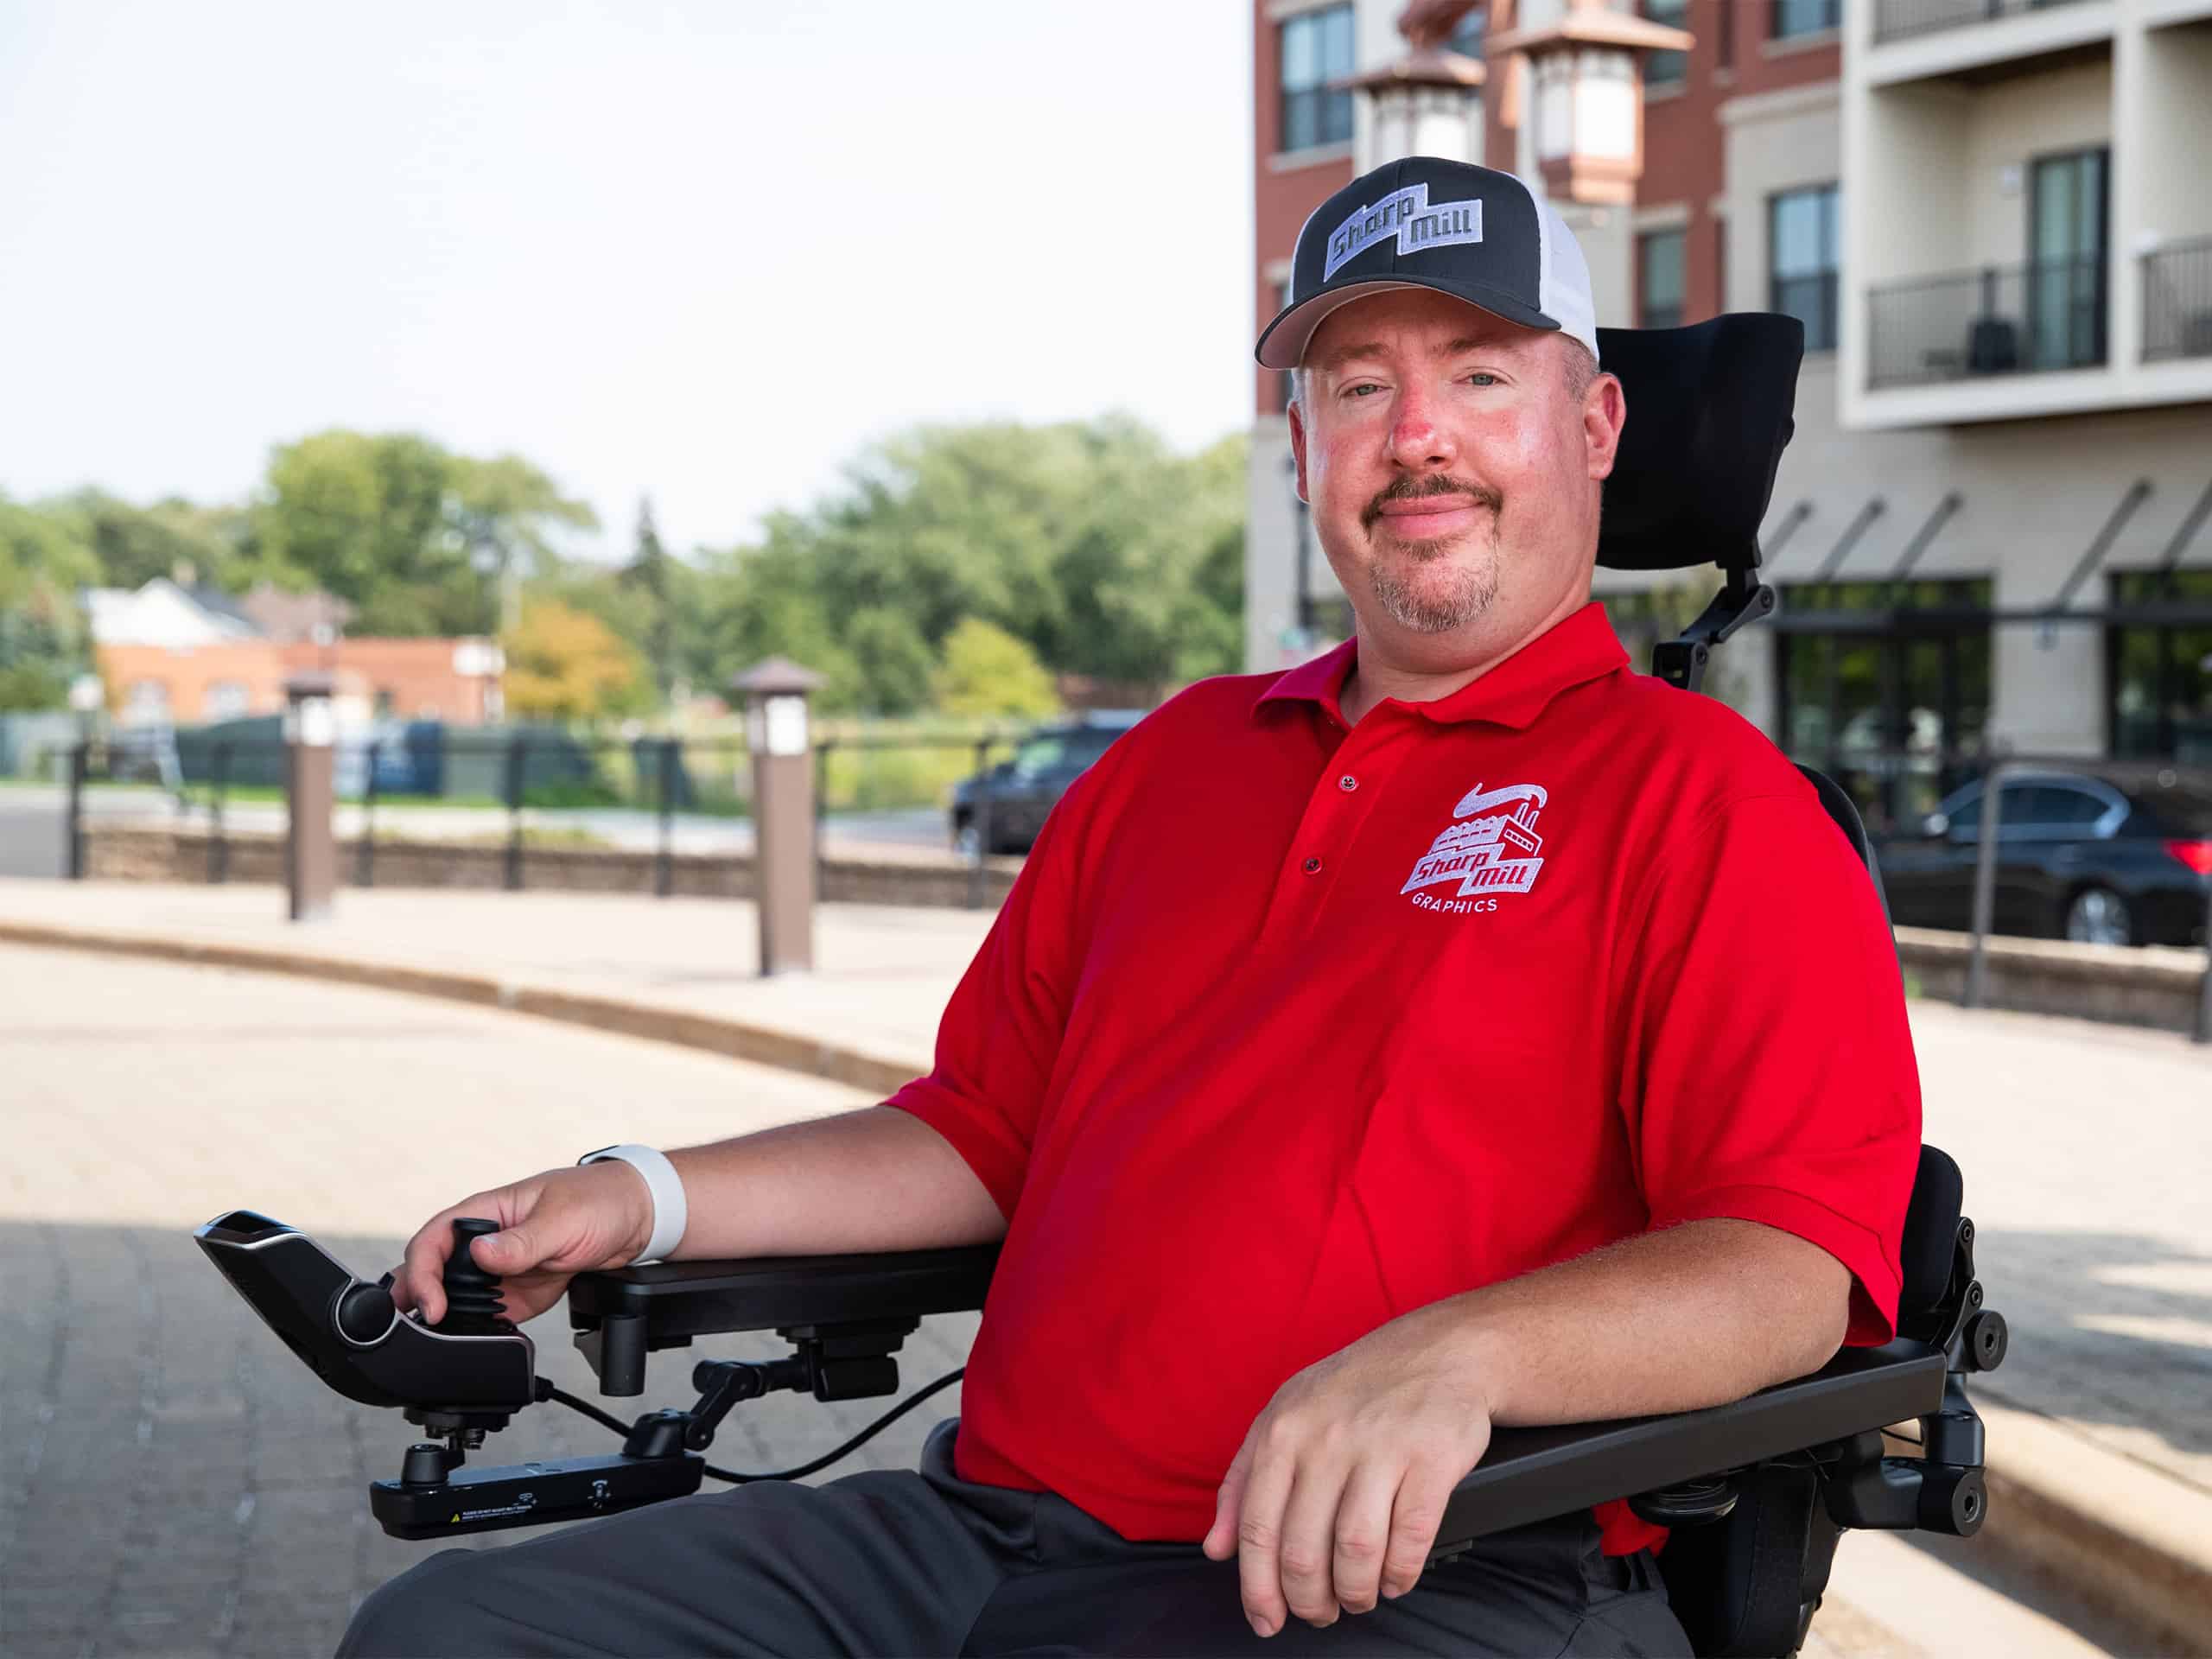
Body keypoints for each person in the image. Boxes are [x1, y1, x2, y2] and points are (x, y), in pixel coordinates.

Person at [340, 158, 1921, 1658]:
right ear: (1305, 449)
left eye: (1483, 375)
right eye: (1357, 386)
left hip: (1415, 1577)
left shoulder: (1709, 804)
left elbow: (1785, 1269)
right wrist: (640, 1196)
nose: (1417, 433)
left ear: (1595, 424)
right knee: (449, 1633)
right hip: (981, 1537)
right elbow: (977, 1131)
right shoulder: (1174, 763)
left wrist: (1457, 1356)